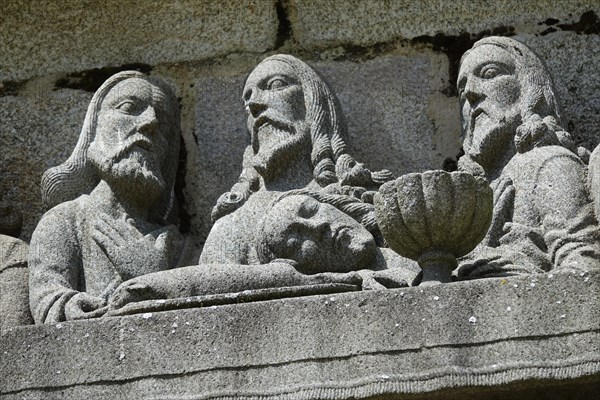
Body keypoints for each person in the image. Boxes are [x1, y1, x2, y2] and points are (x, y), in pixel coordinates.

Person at [202, 54, 394, 264]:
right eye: (247, 103)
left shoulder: (367, 196)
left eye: (276, 85)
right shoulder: (235, 224)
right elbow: (206, 282)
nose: (255, 104)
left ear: (313, 102)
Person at [28, 71, 186, 323]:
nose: (150, 122)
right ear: (94, 129)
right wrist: (73, 304)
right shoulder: (65, 221)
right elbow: (48, 304)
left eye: (163, 120)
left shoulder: (179, 246)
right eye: (128, 107)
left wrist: (151, 276)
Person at [106, 191, 417, 312]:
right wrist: (151, 280)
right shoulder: (231, 231)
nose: (318, 227)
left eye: (310, 210)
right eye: (297, 242)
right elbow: (212, 280)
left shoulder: (421, 231)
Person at [455, 36, 600, 278]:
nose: (470, 92)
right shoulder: (463, 197)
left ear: (528, 89)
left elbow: (583, 265)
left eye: (489, 73)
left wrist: (524, 265)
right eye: (461, 88)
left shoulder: (547, 163)